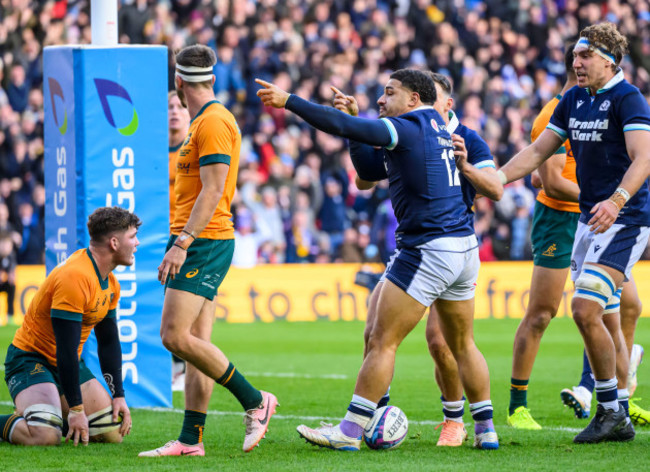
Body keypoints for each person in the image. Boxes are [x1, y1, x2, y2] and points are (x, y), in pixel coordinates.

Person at [257, 69, 500, 450]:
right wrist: (357, 124)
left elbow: (339, 125)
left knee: (383, 340)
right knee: (461, 343)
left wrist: (290, 101)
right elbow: (369, 171)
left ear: (414, 99)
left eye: (390, 93)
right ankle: (486, 430)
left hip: (428, 247)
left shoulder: (409, 125)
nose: (382, 100)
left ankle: (351, 430)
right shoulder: (438, 128)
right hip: (463, 247)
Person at [497, 22, 650, 443]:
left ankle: (609, 410)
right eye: (575, 56)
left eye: (585, 56)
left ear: (609, 60)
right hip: (585, 222)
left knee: (585, 309)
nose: (576, 62)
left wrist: (617, 200)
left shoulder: (628, 98)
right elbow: (537, 152)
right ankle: (618, 401)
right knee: (612, 318)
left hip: (625, 220)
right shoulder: (573, 99)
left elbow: (643, 158)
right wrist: (495, 177)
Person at [332, 72, 503, 447]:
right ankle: (382, 413)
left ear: (443, 103)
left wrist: (466, 166)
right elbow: (365, 178)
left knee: (431, 341)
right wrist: (360, 132)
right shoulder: (410, 129)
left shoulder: (468, 139)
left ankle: (451, 420)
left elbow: (496, 188)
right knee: (375, 328)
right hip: (423, 245)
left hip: (438, 244)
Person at [139, 44, 277, 458]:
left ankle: (255, 400)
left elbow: (214, 190)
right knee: (196, 341)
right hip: (202, 238)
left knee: (173, 335)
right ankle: (190, 439)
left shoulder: (214, 121)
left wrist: (182, 243)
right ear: (212, 78)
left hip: (203, 240)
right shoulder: (205, 121)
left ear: (179, 82)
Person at [0, 206, 138, 446]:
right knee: (45, 436)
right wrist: (76, 409)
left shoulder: (110, 283)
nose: (137, 243)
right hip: (31, 359)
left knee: (110, 431)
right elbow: (65, 349)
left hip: (66, 361)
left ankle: (48, 413)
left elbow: (108, 343)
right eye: (133, 237)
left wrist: (118, 396)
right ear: (114, 243)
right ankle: (43, 417)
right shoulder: (74, 277)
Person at [167, 90, 191, 392]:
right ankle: (174, 366)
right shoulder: (155, 152)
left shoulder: (193, 148)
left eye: (179, 107)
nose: (173, 111)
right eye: (169, 107)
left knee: (182, 305)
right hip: (158, 236)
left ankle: (184, 367)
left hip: (186, 237)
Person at [0, 232, 17, 324]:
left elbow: (12, 270)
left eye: (8, 245)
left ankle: (10, 315)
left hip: (4, 282)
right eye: (5, 245)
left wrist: (12, 276)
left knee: (12, 286)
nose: (6, 247)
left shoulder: (11, 256)